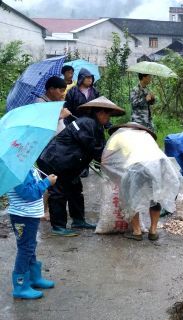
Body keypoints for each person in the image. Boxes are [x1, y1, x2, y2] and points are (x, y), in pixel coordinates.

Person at [37, 96, 124, 236]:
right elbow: (94, 148)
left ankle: (78, 220)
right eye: (107, 115)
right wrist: (110, 162)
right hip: (54, 160)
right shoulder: (86, 123)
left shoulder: (96, 127)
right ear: (100, 112)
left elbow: (101, 147)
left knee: (75, 188)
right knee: (58, 192)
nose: (108, 118)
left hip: (69, 164)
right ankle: (58, 226)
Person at [104, 123, 181, 241]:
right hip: (157, 164)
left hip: (136, 165)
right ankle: (153, 231)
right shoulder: (146, 135)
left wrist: (114, 173)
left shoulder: (117, 136)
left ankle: (137, 232)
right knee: (155, 196)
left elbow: (106, 158)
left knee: (131, 197)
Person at [7, 168, 58, 299]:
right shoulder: (17, 171)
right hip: (22, 217)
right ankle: (20, 286)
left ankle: (34, 277)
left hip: (30, 215)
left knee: (30, 246)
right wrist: (46, 182)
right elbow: (28, 193)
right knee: (25, 248)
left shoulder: (27, 166)